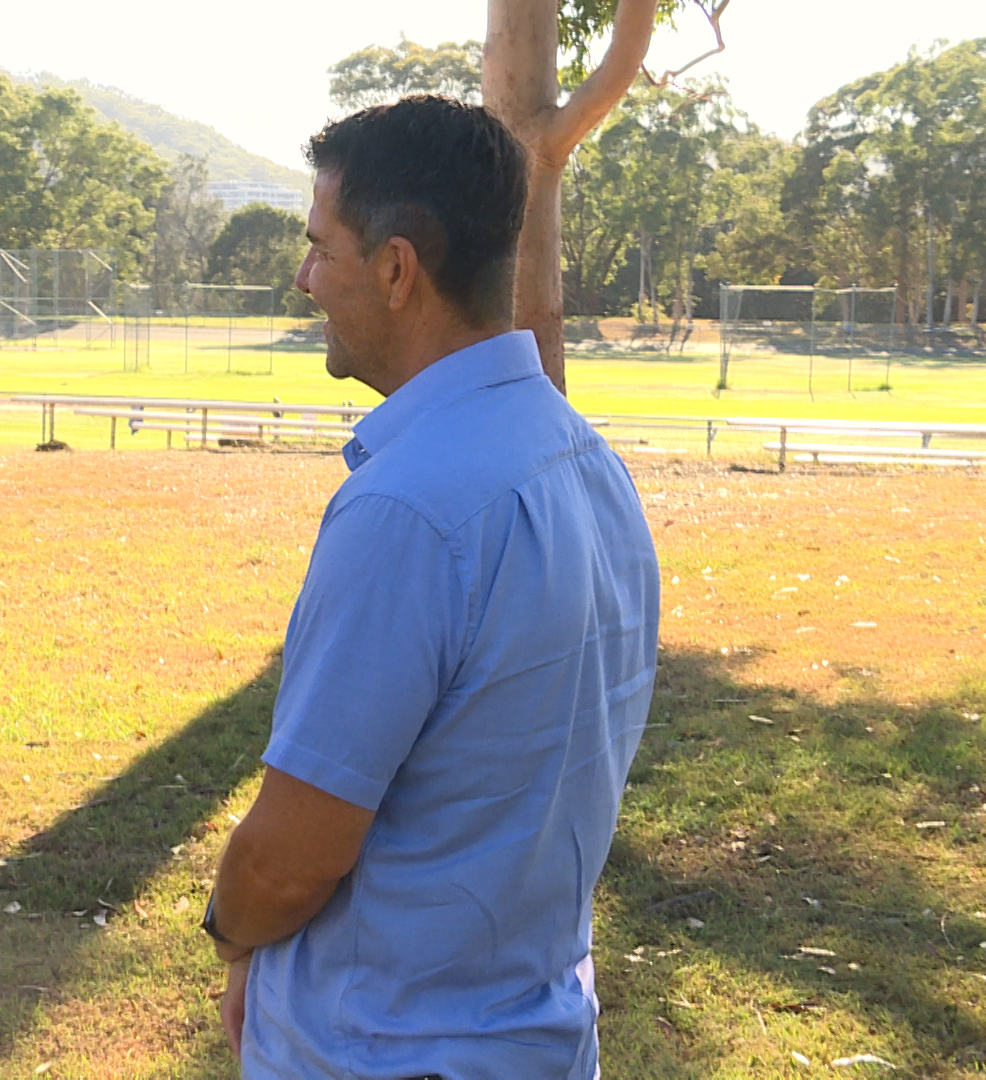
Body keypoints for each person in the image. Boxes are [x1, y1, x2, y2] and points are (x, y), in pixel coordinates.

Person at [203, 97, 660, 1079]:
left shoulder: (408, 509)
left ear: (397, 268)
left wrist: (231, 933)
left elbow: (289, 858)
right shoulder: (587, 463)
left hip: (384, 1049)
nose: (304, 277)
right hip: (540, 1037)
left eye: (320, 246)